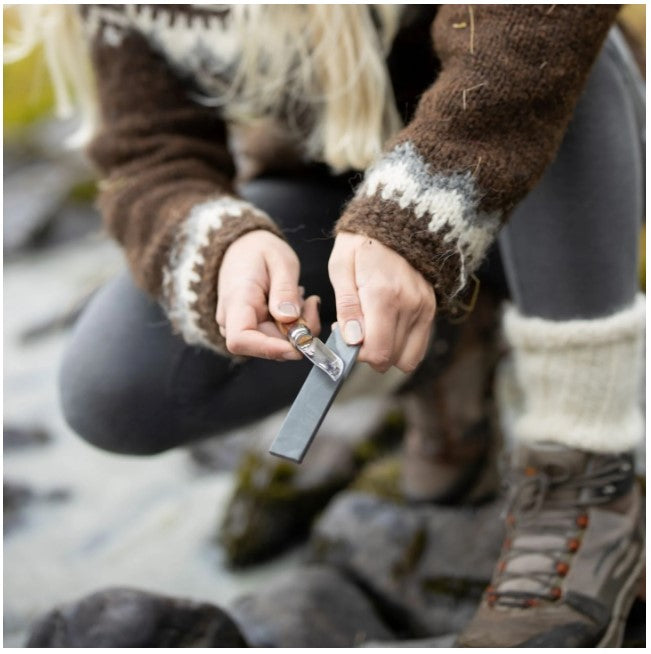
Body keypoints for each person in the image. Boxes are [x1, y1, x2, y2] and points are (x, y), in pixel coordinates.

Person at [11, 5, 644, 647]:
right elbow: (147, 153)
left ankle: (586, 471)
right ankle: (453, 338)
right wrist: (220, 248)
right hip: (341, 189)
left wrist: (413, 221)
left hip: (558, 162)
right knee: (113, 391)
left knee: (551, 42)